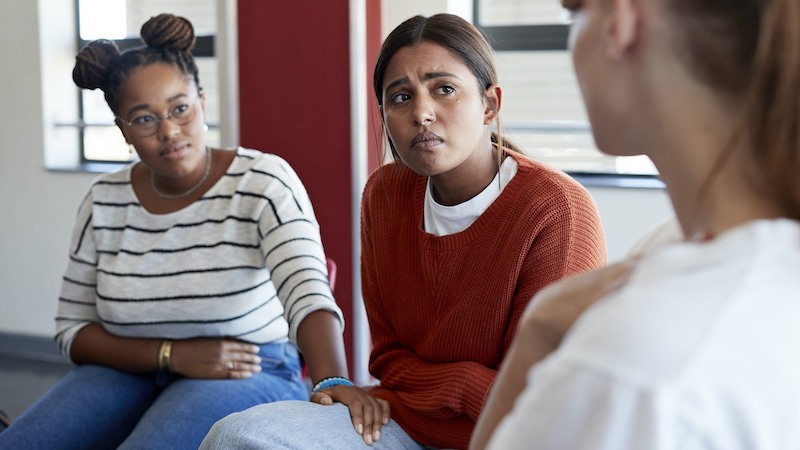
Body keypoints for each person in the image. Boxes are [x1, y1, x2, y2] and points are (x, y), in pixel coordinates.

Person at [201, 13, 606, 450]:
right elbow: (388, 358)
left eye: (444, 89)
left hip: (513, 438)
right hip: (400, 420)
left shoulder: (555, 209)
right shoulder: (385, 194)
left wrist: (452, 386)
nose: (422, 113)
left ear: (489, 104)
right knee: (236, 437)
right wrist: (455, 385)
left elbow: (537, 398)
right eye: (400, 97)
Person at [0, 13, 376, 450]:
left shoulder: (263, 180)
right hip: (126, 368)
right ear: (123, 130)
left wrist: (333, 378)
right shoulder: (103, 199)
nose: (169, 131)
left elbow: (308, 293)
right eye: (144, 119)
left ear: (201, 99)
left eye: (180, 108)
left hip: (249, 368)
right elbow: (73, 330)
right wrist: (172, 355)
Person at [470, 0, 800, 448]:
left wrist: (538, 332)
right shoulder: (679, 258)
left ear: (622, 20)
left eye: (575, 12)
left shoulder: (631, 374)